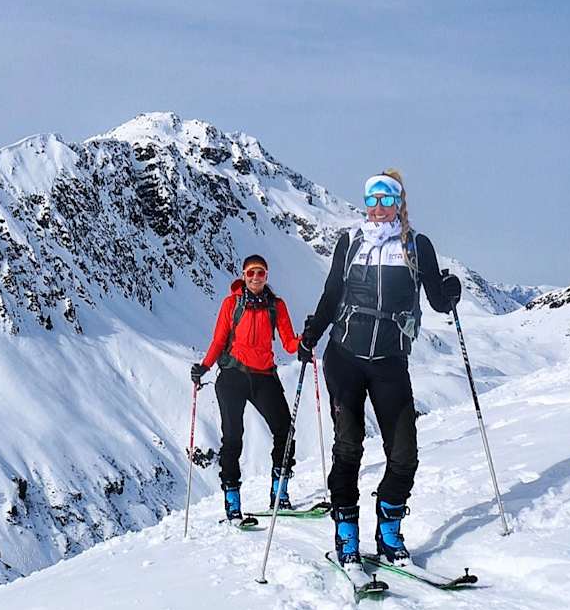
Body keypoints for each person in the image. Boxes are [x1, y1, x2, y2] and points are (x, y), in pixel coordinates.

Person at [297, 170, 462, 569]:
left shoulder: (417, 246)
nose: (378, 206)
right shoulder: (350, 242)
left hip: (390, 362)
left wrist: (450, 289)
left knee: (404, 454)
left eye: (387, 198)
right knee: (348, 448)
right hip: (345, 357)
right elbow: (332, 292)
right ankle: (346, 535)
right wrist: (311, 335)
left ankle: (388, 532)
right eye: (372, 198)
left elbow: (439, 302)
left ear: (400, 202)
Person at [191, 254, 302, 522]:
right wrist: (204, 367)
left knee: (285, 431)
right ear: (243, 275)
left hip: (264, 376)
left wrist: (305, 341)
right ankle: (232, 502)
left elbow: (289, 343)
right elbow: (219, 340)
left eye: (260, 273)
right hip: (233, 375)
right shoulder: (232, 303)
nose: (255, 278)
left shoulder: (276, 306)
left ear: (267, 276)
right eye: (251, 273)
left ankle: (279, 495)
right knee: (233, 437)